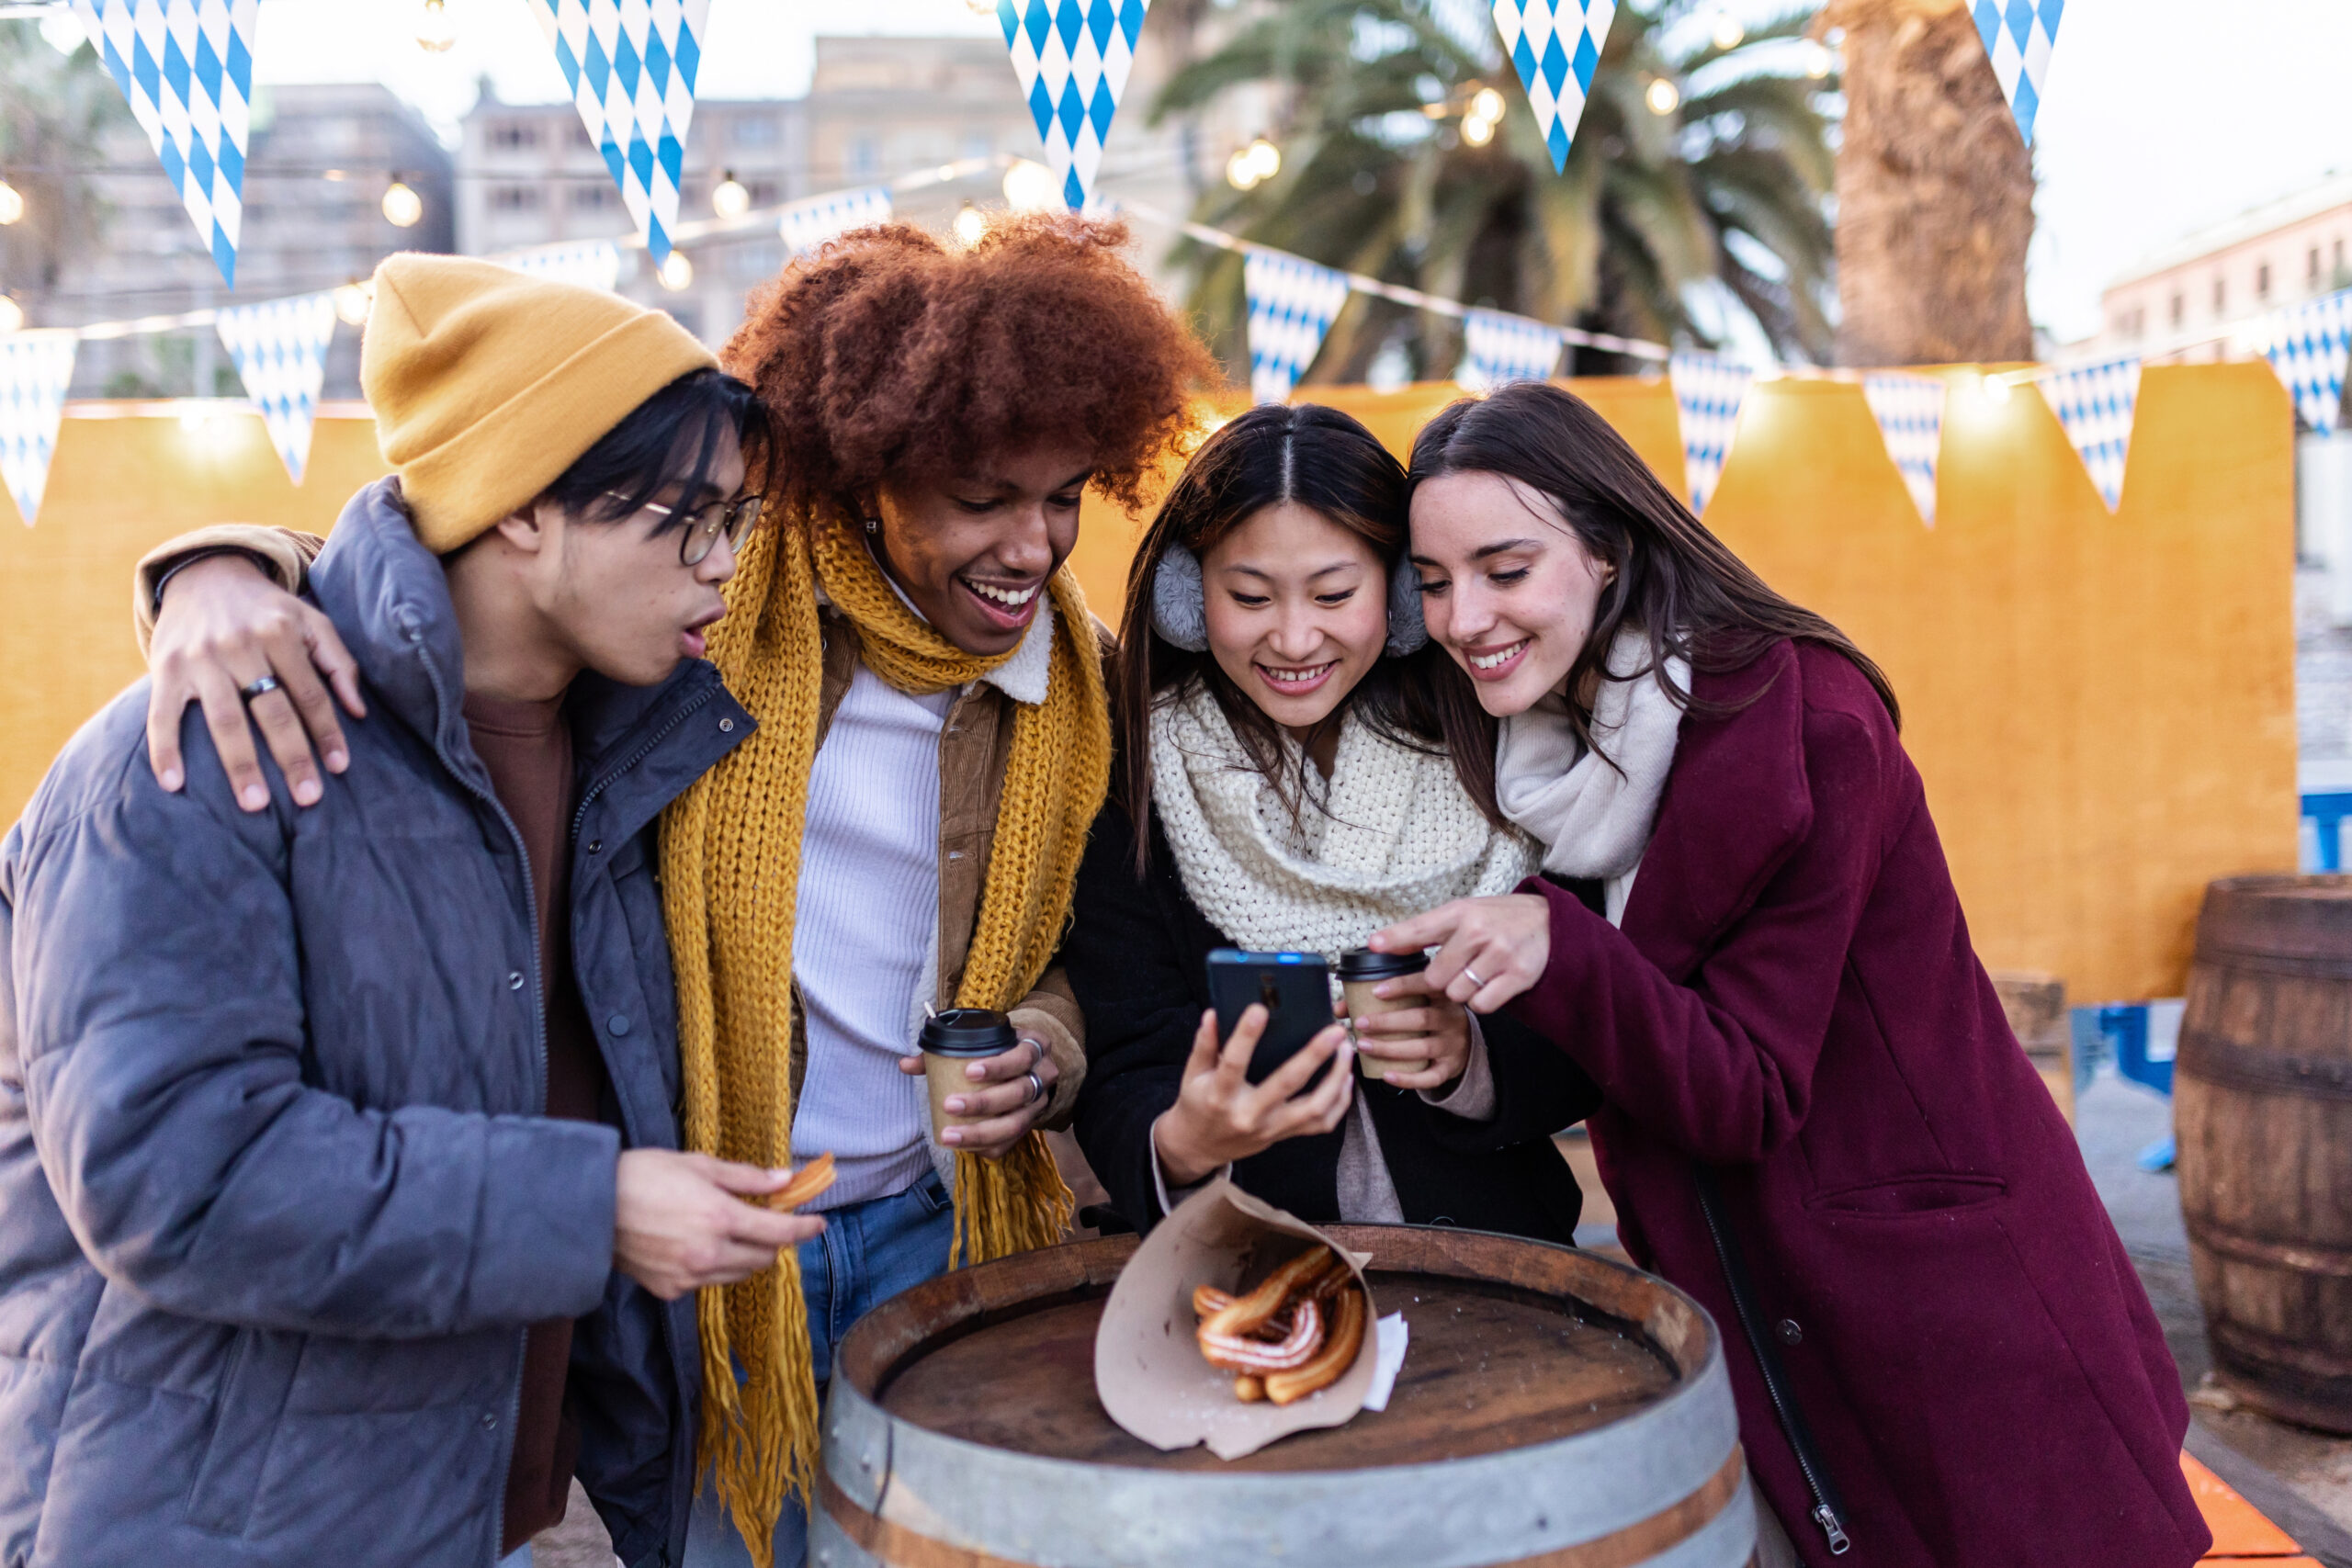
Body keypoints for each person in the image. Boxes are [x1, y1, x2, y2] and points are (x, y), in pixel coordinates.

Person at [120, 214, 1216, 1568]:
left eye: (1066, 496)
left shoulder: (1067, 683)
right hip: (715, 1229)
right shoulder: (706, 613)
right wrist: (222, 567)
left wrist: (1043, 1044)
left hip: (939, 1217)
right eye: (984, 498)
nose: (1034, 544)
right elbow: (474, 564)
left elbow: (1057, 949)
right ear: (869, 470)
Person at [0, 254, 828, 1568]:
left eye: (738, 520)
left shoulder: (639, 759)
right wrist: (595, 1206)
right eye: (689, 520)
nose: (725, 566)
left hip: (471, 1509)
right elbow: (176, 1177)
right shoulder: (197, 749)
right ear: (517, 510)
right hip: (206, 1517)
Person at [1373, 381, 2210, 1568]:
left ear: (1609, 549)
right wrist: (1475, 1064)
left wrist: (1560, 948)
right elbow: (1635, 1025)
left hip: (1946, 1313)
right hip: (1755, 1308)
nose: (1465, 614)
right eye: (1437, 581)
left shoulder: (1801, 719)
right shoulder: (1544, 751)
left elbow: (1743, 1082)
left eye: (1506, 567)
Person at [1064, 403, 1600, 1239]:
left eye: (1334, 593)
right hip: (1242, 1270)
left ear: (1401, 595)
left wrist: (1470, 1060)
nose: (1293, 636)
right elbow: (1127, 1047)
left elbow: (1595, 1003)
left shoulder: (1501, 740)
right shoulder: (1133, 775)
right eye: (1249, 595)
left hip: (1495, 1265)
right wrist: (1181, 1138)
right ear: (1185, 595)